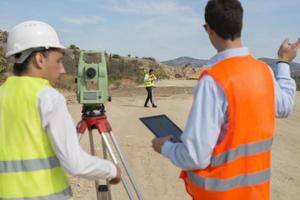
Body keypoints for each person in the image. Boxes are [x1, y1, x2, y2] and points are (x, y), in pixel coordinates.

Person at [151, 0, 300, 199]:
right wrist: (283, 62)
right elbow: (285, 107)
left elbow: (195, 157)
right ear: (242, 24)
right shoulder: (263, 70)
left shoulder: (214, 79)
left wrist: (165, 147)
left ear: (208, 29)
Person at [0, 20, 121, 199]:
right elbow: (74, 163)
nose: (63, 70)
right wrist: (111, 170)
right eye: (58, 61)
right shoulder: (48, 97)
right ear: (40, 59)